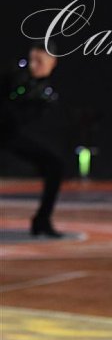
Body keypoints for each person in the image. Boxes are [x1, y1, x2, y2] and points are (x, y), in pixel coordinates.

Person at [0, 44, 65, 237]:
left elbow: (28, 120)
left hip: (9, 134)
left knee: (55, 165)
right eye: (32, 60)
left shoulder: (46, 93)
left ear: (53, 62)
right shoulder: (13, 73)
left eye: (40, 61)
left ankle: (42, 220)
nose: (34, 65)